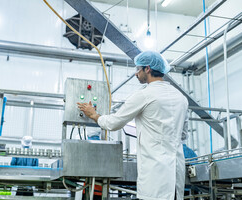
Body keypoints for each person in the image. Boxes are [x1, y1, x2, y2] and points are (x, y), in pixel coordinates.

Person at [77, 51, 189, 200]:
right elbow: (183, 135)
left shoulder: (144, 95)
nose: (136, 74)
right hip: (176, 175)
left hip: (155, 176)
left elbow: (113, 123)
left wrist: (94, 115)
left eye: (138, 69)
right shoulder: (181, 98)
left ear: (147, 69)